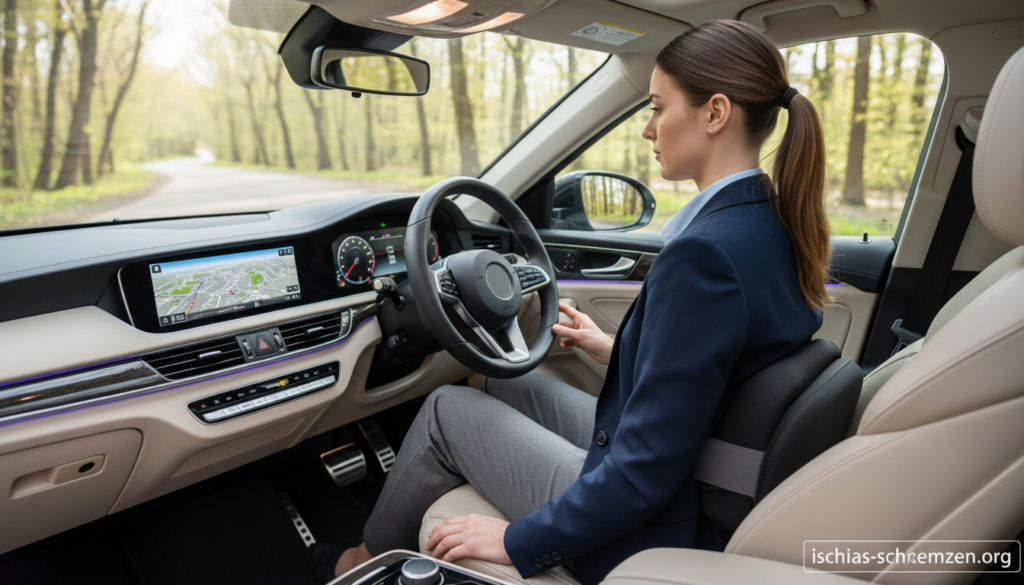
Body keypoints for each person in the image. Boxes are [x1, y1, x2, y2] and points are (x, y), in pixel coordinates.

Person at [308, 19, 830, 585]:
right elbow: (726, 370)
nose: (649, 130)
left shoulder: (704, 256)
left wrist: (517, 539)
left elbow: (643, 476)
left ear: (715, 113)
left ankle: (354, 566)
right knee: (504, 378)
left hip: (652, 526)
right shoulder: (771, 223)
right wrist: (618, 350)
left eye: (658, 107)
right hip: (698, 470)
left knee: (443, 411)